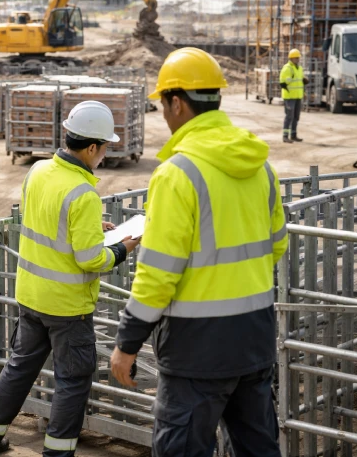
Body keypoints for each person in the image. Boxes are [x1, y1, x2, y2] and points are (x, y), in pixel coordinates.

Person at [109, 48, 287, 457]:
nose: (163, 114)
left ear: (177, 102)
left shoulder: (178, 174)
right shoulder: (261, 167)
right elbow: (277, 244)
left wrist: (127, 343)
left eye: (162, 104)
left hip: (196, 352)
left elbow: (157, 275)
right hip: (255, 340)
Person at [0, 101, 140, 457]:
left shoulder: (38, 170)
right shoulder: (83, 192)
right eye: (104, 148)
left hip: (31, 296)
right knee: (72, 382)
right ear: (91, 147)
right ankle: (58, 453)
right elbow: (91, 259)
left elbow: (42, 218)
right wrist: (123, 247)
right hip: (67, 307)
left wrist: (91, 227)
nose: (105, 155)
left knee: (19, 369)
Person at [280, 48, 308, 143]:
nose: (297, 59)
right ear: (291, 58)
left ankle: (293, 135)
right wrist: (288, 81)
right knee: (289, 116)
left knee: (296, 117)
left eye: (298, 58)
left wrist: (303, 92)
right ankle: (285, 136)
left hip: (298, 96)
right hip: (289, 97)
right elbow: (282, 82)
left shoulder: (299, 68)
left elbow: (300, 83)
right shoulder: (287, 68)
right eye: (296, 58)